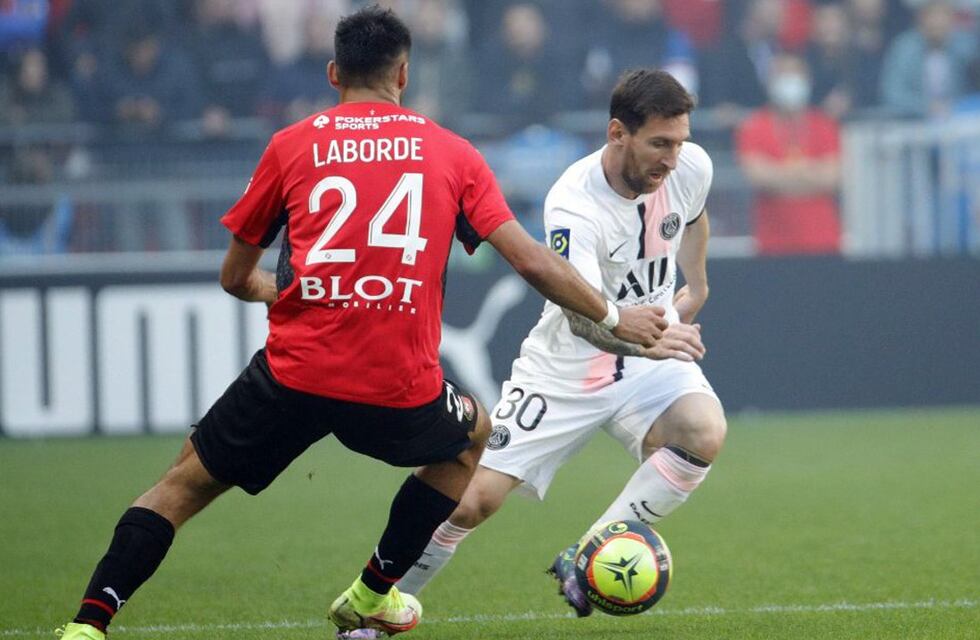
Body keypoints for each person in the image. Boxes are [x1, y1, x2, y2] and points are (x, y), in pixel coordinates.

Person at [55, 6, 668, 640]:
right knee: (471, 438)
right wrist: (616, 315)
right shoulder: (452, 154)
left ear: (332, 73)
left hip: (294, 374)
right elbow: (532, 261)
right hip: (396, 384)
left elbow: (234, 278)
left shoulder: (290, 146)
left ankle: (86, 627)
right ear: (403, 74)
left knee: (180, 486)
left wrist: (279, 291)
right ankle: (373, 592)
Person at [394, 69, 726, 619]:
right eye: (659, 144)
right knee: (472, 502)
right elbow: (581, 318)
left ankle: (587, 553)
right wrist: (646, 339)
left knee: (702, 430)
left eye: (680, 142)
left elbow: (693, 216)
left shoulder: (690, 166)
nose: (672, 158)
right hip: (569, 364)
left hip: (653, 343)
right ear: (618, 133)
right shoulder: (574, 204)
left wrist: (699, 284)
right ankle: (376, 609)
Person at [736, 52, 842, 255]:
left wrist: (780, 174)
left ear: (808, 80)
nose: (789, 80)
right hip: (773, 245)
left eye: (795, 74)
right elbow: (758, 177)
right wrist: (808, 173)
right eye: (782, 74)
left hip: (824, 243)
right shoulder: (753, 126)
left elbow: (831, 178)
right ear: (770, 82)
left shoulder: (825, 125)